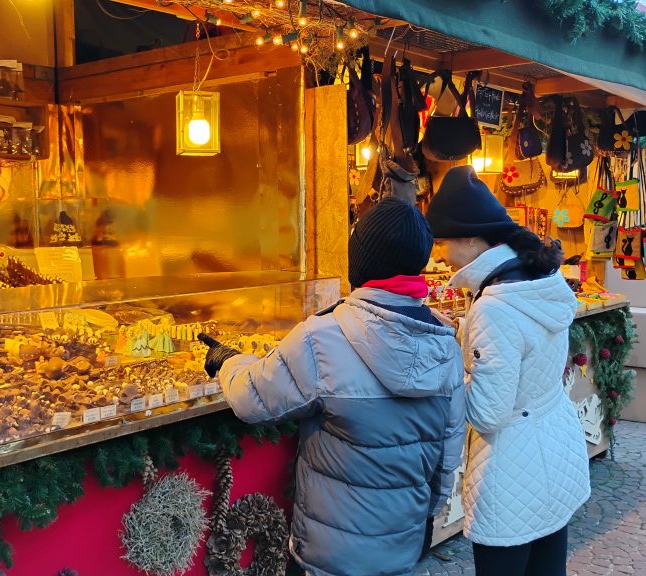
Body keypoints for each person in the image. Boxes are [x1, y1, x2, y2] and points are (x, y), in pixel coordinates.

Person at [199, 197, 465, 576]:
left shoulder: (323, 337)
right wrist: (424, 521)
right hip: (403, 547)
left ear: (360, 262)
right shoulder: (445, 343)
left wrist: (228, 360)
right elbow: (447, 457)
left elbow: (251, 398)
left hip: (329, 559)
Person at [424, 166, 591, 576]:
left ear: (469, 238)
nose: (441, 254)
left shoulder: (493, 307)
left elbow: (487, 413)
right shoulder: (540, 280)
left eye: (444, 242)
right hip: (555, 447)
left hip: (511, 465)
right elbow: (525, 357)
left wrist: (456, 364)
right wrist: (467, 335)